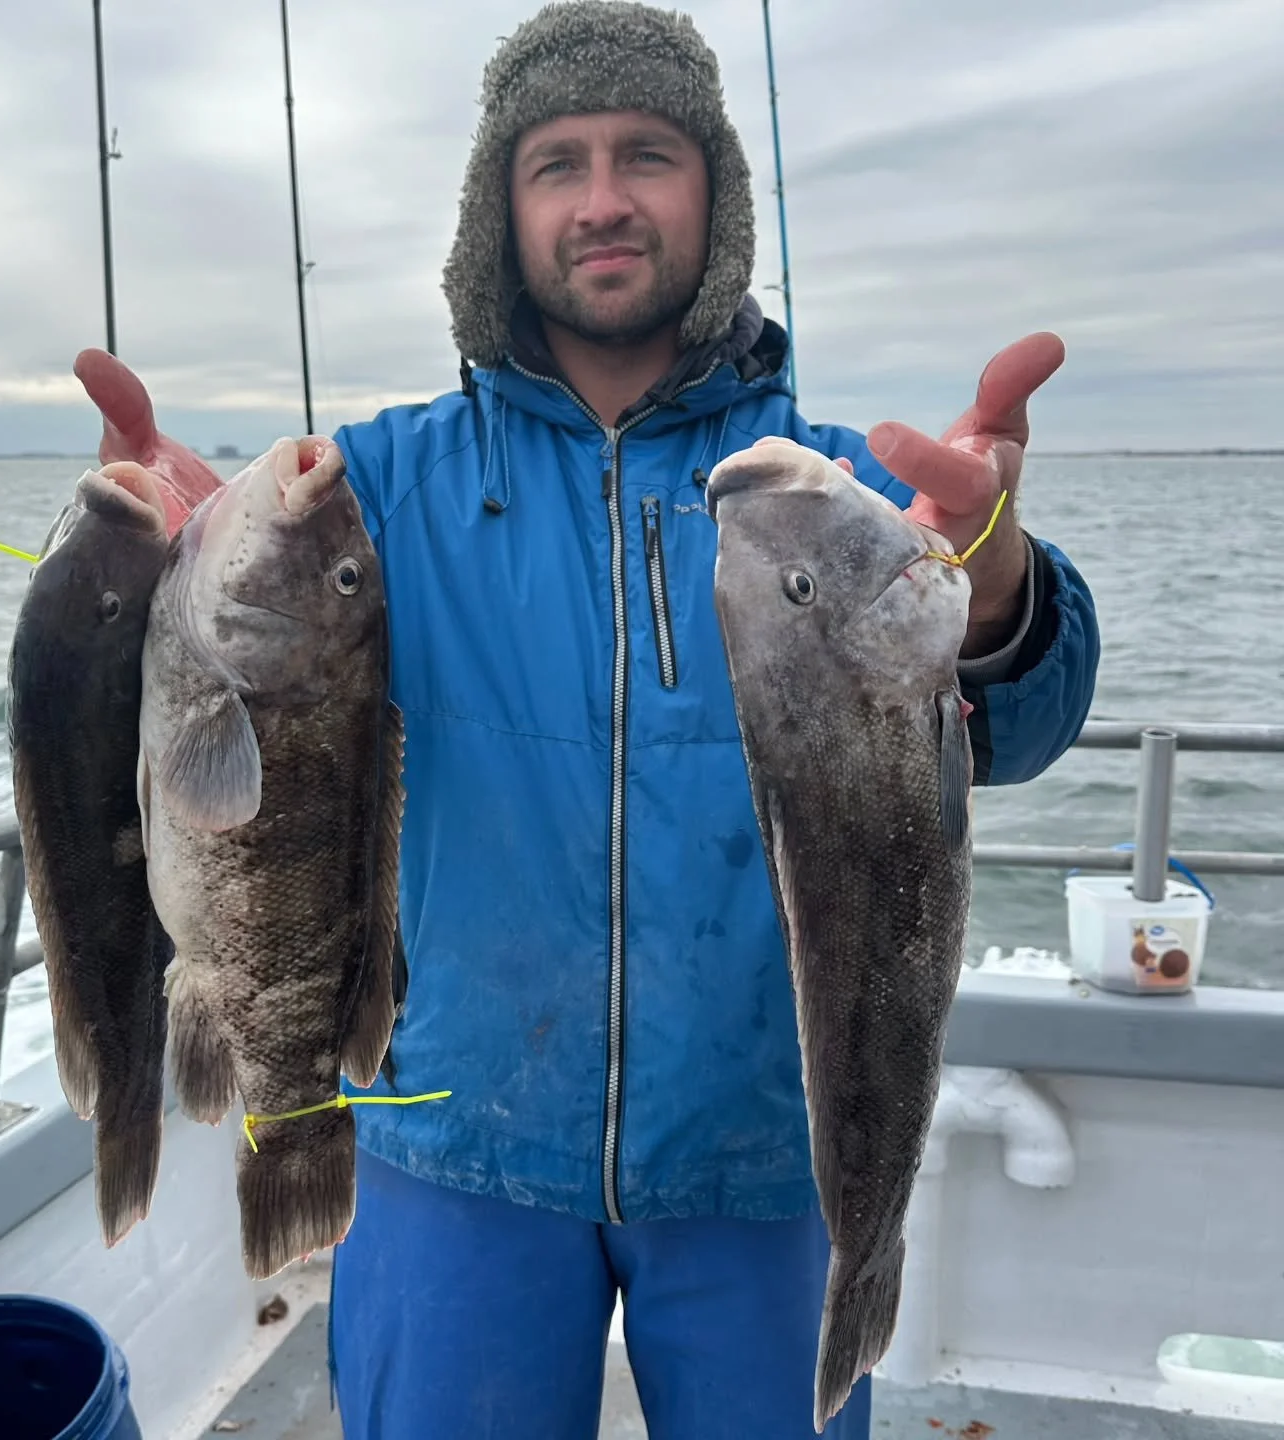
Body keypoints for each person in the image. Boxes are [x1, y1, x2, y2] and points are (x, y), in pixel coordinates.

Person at [82, 4, 1100, 1435]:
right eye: (557, 160)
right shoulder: (366, 490)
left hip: (764, 1156)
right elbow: (213, 728)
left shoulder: (813, 493)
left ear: (716, 196)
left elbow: (1023, 721)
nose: (605, 198)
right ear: (502, 210)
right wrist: (158, 576)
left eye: (648, 153)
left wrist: (992, 591)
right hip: (451, 1151)